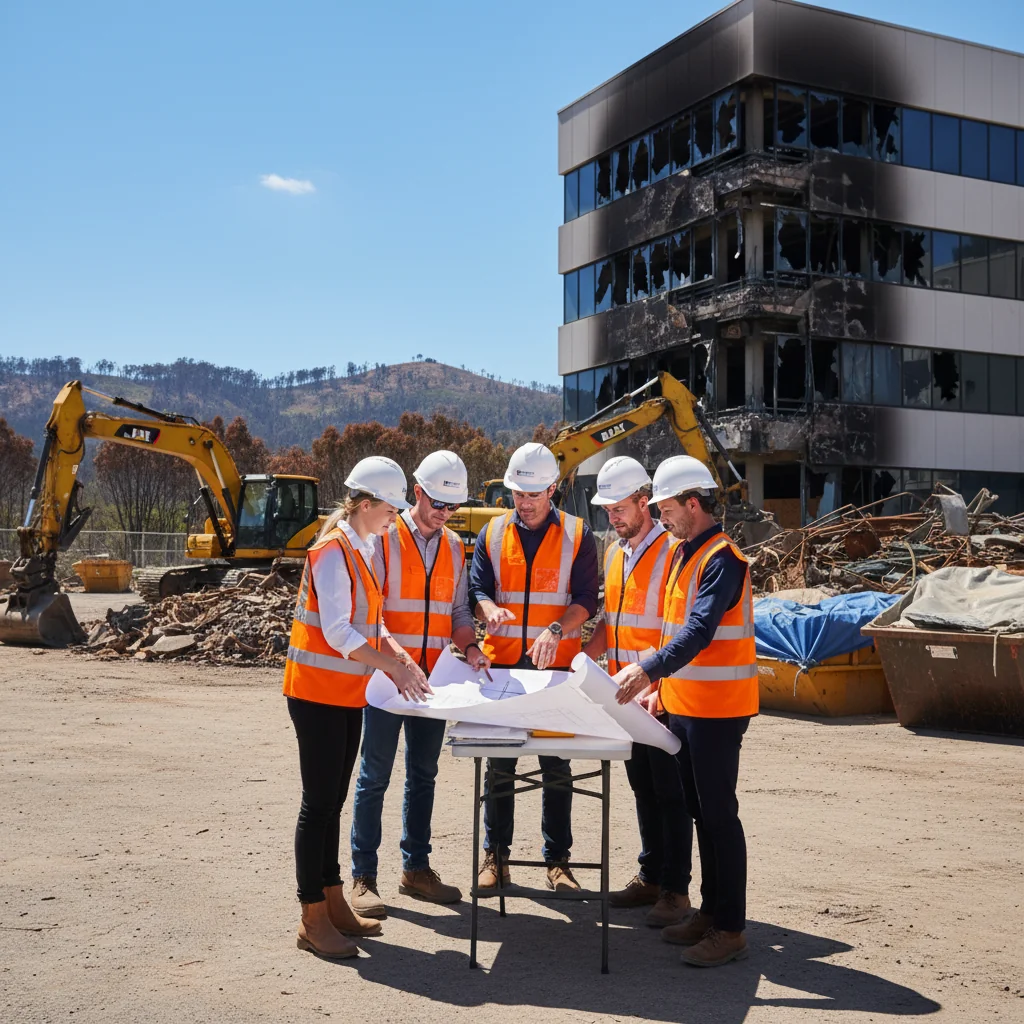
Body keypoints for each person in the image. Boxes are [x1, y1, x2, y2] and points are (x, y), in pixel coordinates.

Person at [283, 456, 432, 960]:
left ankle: (333, 902)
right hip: (316, 694)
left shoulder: (364, 546)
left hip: (345, 694)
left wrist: (395, 652)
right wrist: (390, 668)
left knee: (331, 803)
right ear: (366, 504)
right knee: (318, 805)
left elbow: (370, 621)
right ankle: (312, 917)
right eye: (392, 508)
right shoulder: (331, 550)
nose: (397, 517)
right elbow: (339, 631)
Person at [612, 455, 757, 968]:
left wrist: (647, 671)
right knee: (700, 813)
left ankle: (731, 928)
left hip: (718, 711)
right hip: (685, 705)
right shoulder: (683, 554)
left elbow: (699, 631)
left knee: (719, 816)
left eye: (667, 508)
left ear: (692, 504)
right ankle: (711, 913)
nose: (662, 516)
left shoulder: (723, 559)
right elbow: (672, 630)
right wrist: (661, 687)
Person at [349, 451, 491, 916]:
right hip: (387, 680)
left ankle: (416, 868)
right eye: (437, 503)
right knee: (374, 777)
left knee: (423, 775)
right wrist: (398, 660)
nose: (444, 513)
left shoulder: (453, 545)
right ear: (417, 493)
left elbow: (456, 613)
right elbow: (371, 614)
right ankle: (363, 878)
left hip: (432, 686)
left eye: (452, 506)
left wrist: (470, 648)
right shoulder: (384, 539)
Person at [469, 442, 599, 892]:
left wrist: (557, 631)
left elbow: (586, 600)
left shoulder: (579, 535)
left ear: (553, 489)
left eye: (533, 494)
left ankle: (558, 861)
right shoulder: (492, 533)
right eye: (517, 494)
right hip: (502, 668)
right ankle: (496, 858)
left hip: (554, 670)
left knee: (556, 767)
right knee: (500, 767)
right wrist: (487, 610)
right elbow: (477, 588)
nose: (524, 503)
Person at [581, 456, 691, 929]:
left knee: (672, 794)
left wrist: (659, 686)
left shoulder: (672, 551)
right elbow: (613, 623)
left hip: (660, 694)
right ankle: (650, 875)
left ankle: (675, 890)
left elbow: (680, 629)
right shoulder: (615, 552)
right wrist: (581, 660)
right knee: (642, 787)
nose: (613, 517)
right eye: (608, 510)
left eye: (620, 508)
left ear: (644, 502)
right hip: (625, 695)